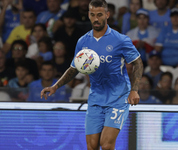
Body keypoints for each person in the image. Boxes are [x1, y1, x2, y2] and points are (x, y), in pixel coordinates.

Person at [40, 0, 143, 149]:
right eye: (93, 15)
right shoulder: (83, 42)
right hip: (96, 99)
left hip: (118, 98)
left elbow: (138, 62)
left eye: (100, 15)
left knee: (106, 145)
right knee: (92, 146)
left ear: (107, 15)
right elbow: (74, 68)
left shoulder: (120, 40)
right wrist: (55, 86)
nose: (96, 18)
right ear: (89, 15)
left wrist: (134, 90)